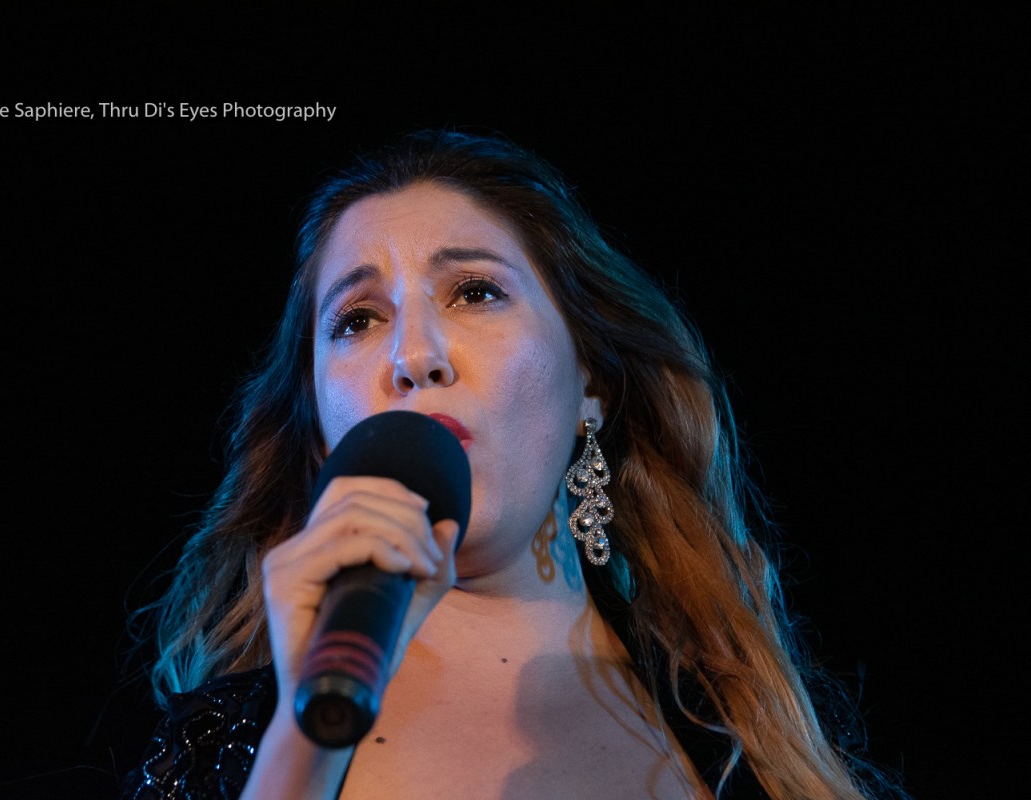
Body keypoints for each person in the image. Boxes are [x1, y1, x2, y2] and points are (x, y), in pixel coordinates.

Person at [121, 129, 907, 799]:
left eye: (474, 292)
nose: (414, 356)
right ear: (323, 434)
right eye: (357, 319)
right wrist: (303, 745)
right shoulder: (230, 744)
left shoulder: (735, 733)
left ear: (590, 385)